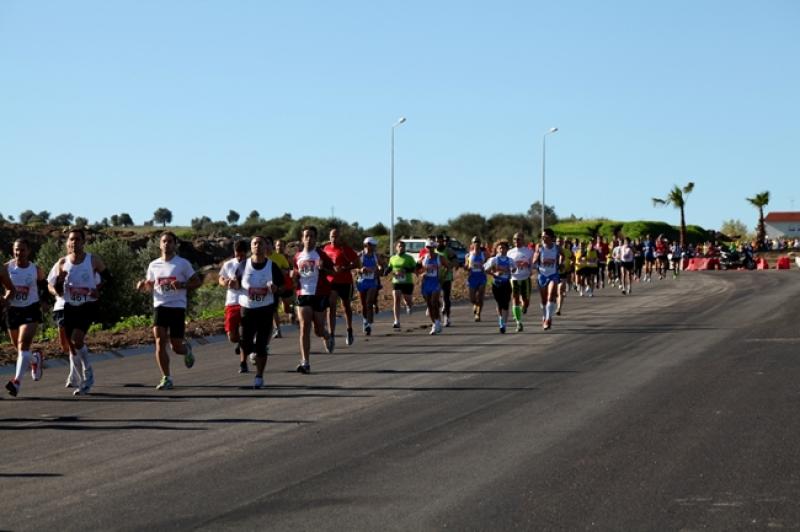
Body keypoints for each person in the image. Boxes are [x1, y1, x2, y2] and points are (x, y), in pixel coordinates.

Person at [137, 231, 202, 390]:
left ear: (175, 245)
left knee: (176, 346)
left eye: (170, 241)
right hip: (160, 305)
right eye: (164, 241)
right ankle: (166, 377)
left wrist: (183, 285)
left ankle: (186, 350)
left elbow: (197, 281)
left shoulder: (182, 264)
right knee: (160, 340)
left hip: (177, 307)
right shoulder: (153, 265)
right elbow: (151, 284)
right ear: (160, 245)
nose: (167, 244)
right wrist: (143, 286)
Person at [49, 228, 108, 396]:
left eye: (77, 239)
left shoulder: (92, 260)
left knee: (77, 339)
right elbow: (51, 285)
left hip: (87, 305)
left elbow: (109, 278)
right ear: (68, 243)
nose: (74, 242)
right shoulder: (62, 262)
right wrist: (59, 285)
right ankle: (78, 374)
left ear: (83, 242)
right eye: (71, 239)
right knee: (71, 346)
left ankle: (87, 376)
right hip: (68, 306)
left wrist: (98, 290)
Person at [239, 236, 284, 389]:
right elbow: (233, 281)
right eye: (254, 243)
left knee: (262, 345)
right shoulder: (243, 265)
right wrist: (229, 282)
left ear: (266, 247)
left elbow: (282, 286)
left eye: (261, 244)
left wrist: (275, 289)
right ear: (251, 247)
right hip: (247, 308)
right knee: (244, 343)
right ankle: (251, 352)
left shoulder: (272, 266)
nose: (257, 246)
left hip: (265, 309)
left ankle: (259, 376)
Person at [291, 226, 335, 374]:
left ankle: (327, 335)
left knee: (318, 330)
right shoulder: (297, 256)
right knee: (304, 327)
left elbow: (332, 272)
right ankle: (305, 362)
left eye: (311, 236)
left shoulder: (321, 255)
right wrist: (294, 277)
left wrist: (323, 269)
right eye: (306, 236)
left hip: (320, 294)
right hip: (303, 294)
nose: (309, 238)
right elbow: (296, 275)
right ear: (302, 238)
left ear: (316, 239)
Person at [4, 239, 45, 397]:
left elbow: (44, 286)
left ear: (28, 251)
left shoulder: (35, 269)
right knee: (20, 348)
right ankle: (35, 359)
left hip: (31, 309)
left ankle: (16, 382)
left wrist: (45, 301)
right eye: (16, 250)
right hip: (12, 311)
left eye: (22, 250)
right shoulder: (7, 268)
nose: (18, 253)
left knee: (23, 344)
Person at [323, 228, 360, 347]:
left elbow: (357, 263)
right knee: (331, 305)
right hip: (331, 281)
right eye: (332, 236)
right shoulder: (326, 249)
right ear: (329, 237)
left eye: (336, 236)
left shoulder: (345, 249)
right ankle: (331, 334)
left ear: (340, 237)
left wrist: (344, 268)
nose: (334, 239)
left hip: (345, 281)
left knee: (346, 306)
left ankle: (349, 330)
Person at [218, 239, 247, 372]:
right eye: (237, 253)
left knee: (245, 333)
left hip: (246, 302)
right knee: (232, 337)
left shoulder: (251, 264)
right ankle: (241, 344)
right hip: (231, 302)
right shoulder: (228, 264)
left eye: (242, 254)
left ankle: (243, 363)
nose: (239, 256)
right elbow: (221, 278)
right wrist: (226, 282)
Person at [417, 239, 448, 335]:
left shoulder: (440, 258)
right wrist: (421, 274)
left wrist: (443, 276)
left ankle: (437, 323)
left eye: (431, 247)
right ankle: (435, 323)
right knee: (429, 305)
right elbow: (416, 269)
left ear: (434, 248)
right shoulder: (423, 258)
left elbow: (448, 267)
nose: (429, 249)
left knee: (434, 302)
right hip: (426, 283)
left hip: (435, 282)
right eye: (428, 247)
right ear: (425, 248)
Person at [533, 228, 562, 330]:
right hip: (542, 275)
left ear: (551, 238)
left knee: (550, 296)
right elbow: (534, 260)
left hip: (553, 274)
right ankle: (545, 316)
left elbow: (565, 255)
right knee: (543, 300)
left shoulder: (557, 247)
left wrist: (561, 262)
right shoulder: (540, 247)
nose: (543, 238)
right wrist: (534, 261)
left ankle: (548, 319)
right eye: (542, 237)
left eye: (545, 237)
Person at [483, 240, 513, 333]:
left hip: (506, 283)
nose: (501, 249)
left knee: (506, 304)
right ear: (496, 249)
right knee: (499, 303)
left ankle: (503, 324)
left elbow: (515, 269)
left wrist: (510, 271)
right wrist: (494, 273)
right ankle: (501, 319)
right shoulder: (494, 260)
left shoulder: (510, 260)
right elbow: (485, 270)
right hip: (496, 284)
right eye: (500, 248)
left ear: (507, 249)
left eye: (503, 248)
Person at [507, 232, 534, 332]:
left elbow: (532, 264)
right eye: (514, 239)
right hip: (514, 279)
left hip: (525, 278)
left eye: (518, 239)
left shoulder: (529, 251)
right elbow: (507, 264)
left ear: (523, 240)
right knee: (515, 299)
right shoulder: (510, 252)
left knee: (526, 301)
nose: (516, 241)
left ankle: (524, 307)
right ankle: (518, 323)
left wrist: (529, 266)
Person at [387, 240, 416, 329]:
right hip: (396, 282)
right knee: (397, 299)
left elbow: (415, 269)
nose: (401, 248)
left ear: (405, 248)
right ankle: (397, 321)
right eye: (399, 246)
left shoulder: (409, 258)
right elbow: (390, 267)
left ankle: (409, 305)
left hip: (407, 282)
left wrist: (405, 270)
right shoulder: (392, 258)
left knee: (408, 300)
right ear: (396, 248)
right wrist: (385, 271)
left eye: (403, 246)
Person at [356, 237, 381, 336]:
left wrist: (377, 269)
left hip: (372, 282)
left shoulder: (376, 256)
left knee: (369, 302)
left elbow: (381, 266)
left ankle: (369, 325)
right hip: (361, 282)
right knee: (363, 304)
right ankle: (365, 321)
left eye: (375, 245)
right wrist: (361, 270)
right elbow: (355, 268)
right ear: (367, 245)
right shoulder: (360, 255)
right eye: (373, 245)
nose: (375, 247)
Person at [269, 239, 294, 339]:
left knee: (286, 309)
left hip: (286, 285)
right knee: (273, 309)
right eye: (278, 245)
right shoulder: (269, 256)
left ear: (285, 247)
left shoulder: (286, 258)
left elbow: (290, 270)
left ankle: (292, 310)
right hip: (274, 286)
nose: (280, 247)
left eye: (282, 246)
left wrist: (280, 271)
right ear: (275, 246)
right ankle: (277, 330)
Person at [436, 234, 457, 327]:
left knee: (446, 297)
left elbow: (456, 261)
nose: (439, 243)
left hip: (446, 278)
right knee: (435, 298)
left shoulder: (448, 250)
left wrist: (449, 266)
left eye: (440, 241)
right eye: (437, 241)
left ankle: (447, 318)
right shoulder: (432, 251)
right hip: (435, 278)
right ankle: (437, 316)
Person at [465, 236, 487, 322]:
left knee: (480, 297)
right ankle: (475, 305)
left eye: (478, 242)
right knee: (472, 298)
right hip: (472, 277)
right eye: (475, 242)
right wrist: (466, 267)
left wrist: (485, 267)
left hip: (481, 277)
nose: (476, 243)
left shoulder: (483, 254)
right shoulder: (468, 255)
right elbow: (466, 265)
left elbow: (488, 263)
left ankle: (478, 314)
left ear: (480, 243)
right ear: (472, 243)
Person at [556, 237, 574, 316]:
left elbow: (573, 258)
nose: (559, 243)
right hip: (552, 273)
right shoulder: (552, 250)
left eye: (561, 241)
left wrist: (571, 264)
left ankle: (559, 308)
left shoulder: (567, 251)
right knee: (555, 291)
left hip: (563, 272)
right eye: (558, 241)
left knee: (560, 289)